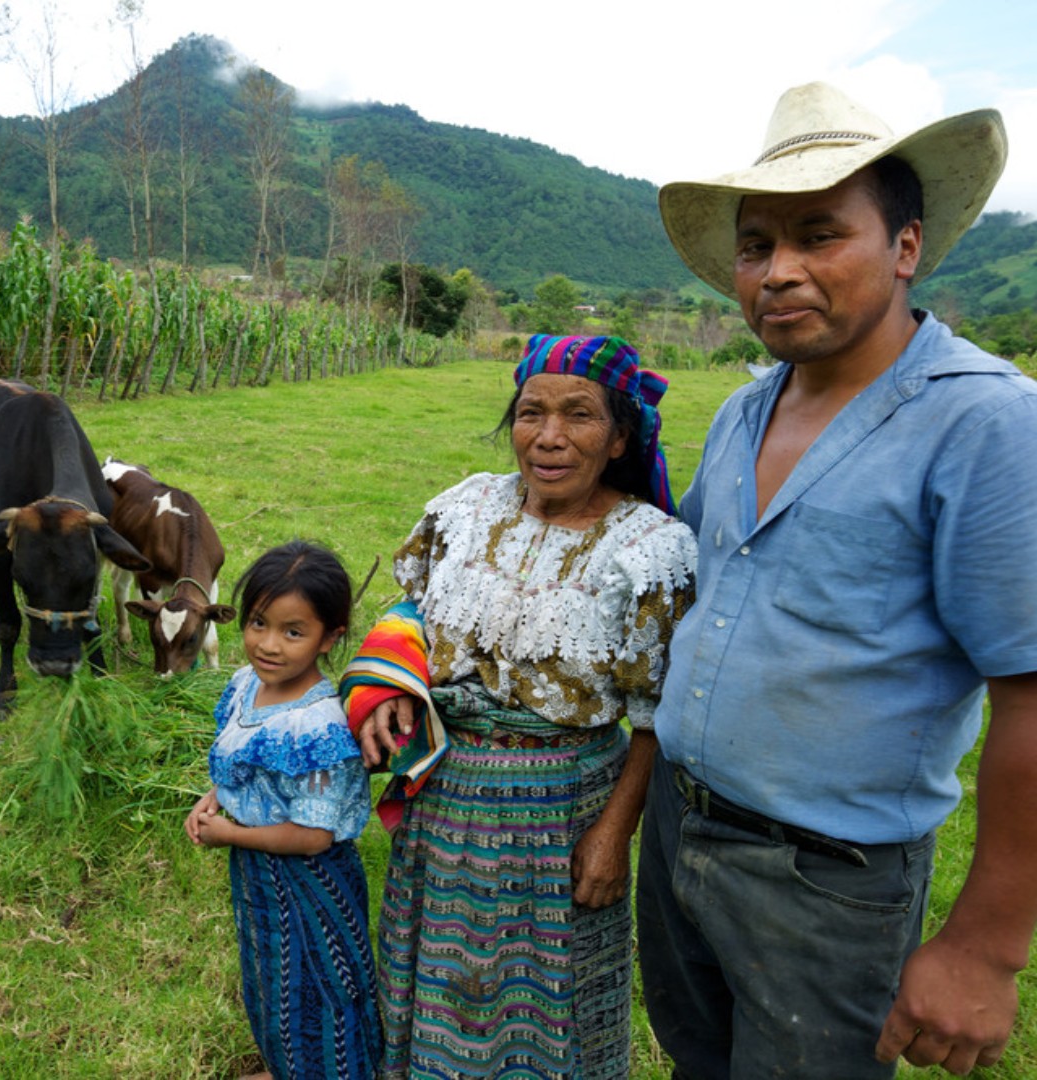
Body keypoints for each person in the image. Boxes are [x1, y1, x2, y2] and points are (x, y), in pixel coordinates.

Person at [638, 79, 1037, 1079]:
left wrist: (986, 947)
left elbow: (1030, 697)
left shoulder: (984, 425)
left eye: (820, 236)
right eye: (757, 246)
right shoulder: (743, 410)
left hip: (824, 881)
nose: (779, 272)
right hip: (679, 829)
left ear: (903, 248)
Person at [343, 334, 698, 1079]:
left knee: (548, 999)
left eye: (580, 416)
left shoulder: (647, 548)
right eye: (531, 412)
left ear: (621, 436)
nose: (549, 437)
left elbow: (656, 714)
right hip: (446, 799)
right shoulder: (468, 507)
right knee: (432, 978)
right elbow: (412, 609)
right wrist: (385, 688)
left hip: (562, 813)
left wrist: (613, 834)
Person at [185, 540, 382, 1080]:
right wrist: (215, 798)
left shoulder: (316, 724)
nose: (268, 645)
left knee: (318, 987)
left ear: (330, 637)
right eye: (258, 623)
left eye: (293, 632)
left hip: (309, 880)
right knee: (271, 980)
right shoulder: (246, 685)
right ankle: (284, 1067)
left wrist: (231, 834)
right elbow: (239, 766)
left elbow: (313, 835)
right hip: (259, 875)